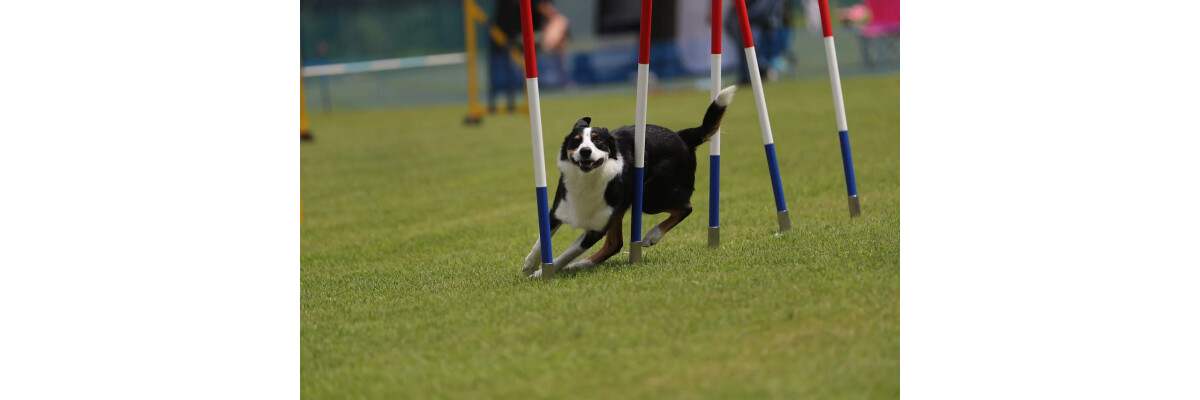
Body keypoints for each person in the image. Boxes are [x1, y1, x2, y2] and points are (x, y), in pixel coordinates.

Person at [488, 0, 569, 113]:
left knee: (560, 28)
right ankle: (562, 76)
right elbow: (547, 11)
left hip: (513, 34)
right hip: (518, 36)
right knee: (560, 21)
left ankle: (562, 78)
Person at [727, 0, 791, 84]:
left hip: (766, 26)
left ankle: (759, 72)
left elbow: (760, 11)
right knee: (746, 47)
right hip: (758, 24)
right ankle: (752, 74)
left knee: (751, 48)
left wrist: (742, 16)